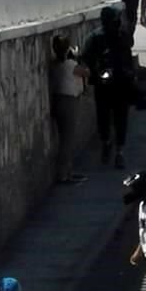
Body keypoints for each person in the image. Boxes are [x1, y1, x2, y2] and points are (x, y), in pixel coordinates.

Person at [82, 6, 137, 169]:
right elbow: (86, 58)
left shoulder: (122, 35)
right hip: (103, 85)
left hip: (121, 84)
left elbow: (128, 53)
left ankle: (119, 151)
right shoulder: (94, 38)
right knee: (103, 118)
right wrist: (97, 72)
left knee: (121, 119)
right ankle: (106, 142)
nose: (117, 22)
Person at [49, 35, 88, 184]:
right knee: (67, 141)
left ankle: (67, 171)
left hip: (58, 100)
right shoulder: (71, 65)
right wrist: (78, 57)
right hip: (69, 102)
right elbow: (86, 72)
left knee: (64, 138)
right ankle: (63, 175)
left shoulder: (55, 64)